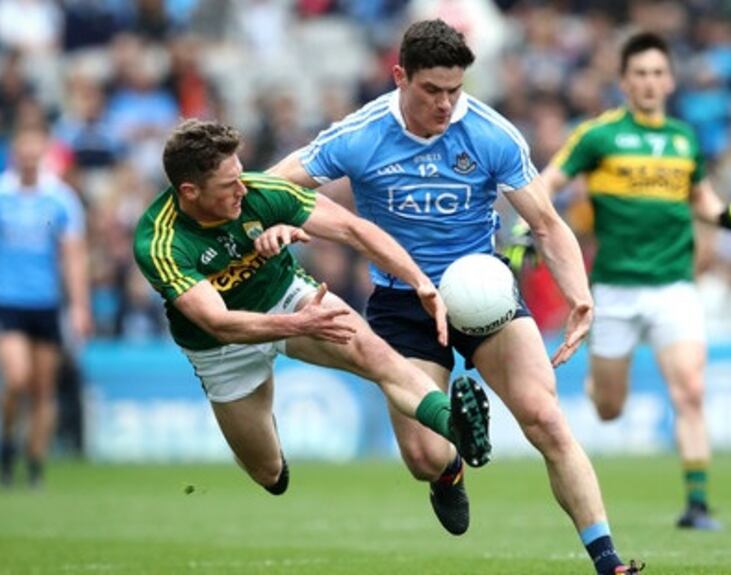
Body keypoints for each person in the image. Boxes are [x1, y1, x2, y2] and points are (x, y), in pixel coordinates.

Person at [269, 19, 642, 575]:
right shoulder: (360, 133)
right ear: (400, 76)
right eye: (431, 91)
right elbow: (274, 183)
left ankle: (607, 560)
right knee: (423, 458)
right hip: (402, 304)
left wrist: (578, 294)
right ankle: (450, 473)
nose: (445, 104)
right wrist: (273, 222)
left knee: (546, 418)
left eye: (455, 90)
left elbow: (545, 222)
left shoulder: (491, 133)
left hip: (484, 294)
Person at [131, 119, 491, 505]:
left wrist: (419, 280)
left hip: (287, 295)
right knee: (268, 474)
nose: (242, 188)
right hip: (222, 347)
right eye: (228, 185)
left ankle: (453, 429)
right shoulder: (160, 242)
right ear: (190, 191)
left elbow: (352, 229)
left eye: (240, 174)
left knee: (377, 355)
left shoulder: (259, 191)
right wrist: (297, 325)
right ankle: (261, 432)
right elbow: (219, 323)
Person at [535, 31, 731, 531]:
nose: (650, 82)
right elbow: (549, 181)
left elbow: (701, 198)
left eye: (658, 73)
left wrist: (725, 216)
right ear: (624, 82)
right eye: (640, 74)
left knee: (691, 391)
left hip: (674, 285)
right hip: (615, 288)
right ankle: (599, 382)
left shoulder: (683, 139)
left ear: (670, 80)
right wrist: (530, 223)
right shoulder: (599, 136)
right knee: (609, 408)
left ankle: (697, 506)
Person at [0, 124, 92, 487]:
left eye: (34, 151)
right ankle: (6, 443)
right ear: (14, 154)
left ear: (42, 154)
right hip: (5, 300)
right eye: (22, 151)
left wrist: (80, 305)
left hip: (46, 303)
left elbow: (73, 256)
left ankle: (34, 464)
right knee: (16, 378)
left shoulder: (60, 198)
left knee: (43, 389)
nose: (28, 158)